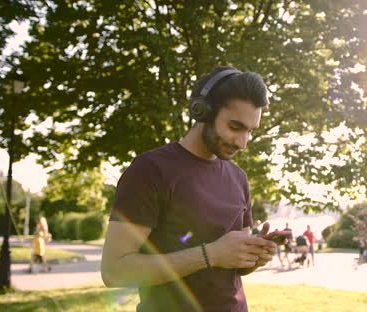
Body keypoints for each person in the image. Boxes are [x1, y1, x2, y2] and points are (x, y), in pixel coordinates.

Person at [101, 66, 277, 312]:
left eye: (250, 131)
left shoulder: (239, 178)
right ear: (202, 111)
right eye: (235, 127)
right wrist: (211, 255)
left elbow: (235, 265)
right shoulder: (149, 170)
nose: (242, 142)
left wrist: (255, 256)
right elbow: (114, 271)